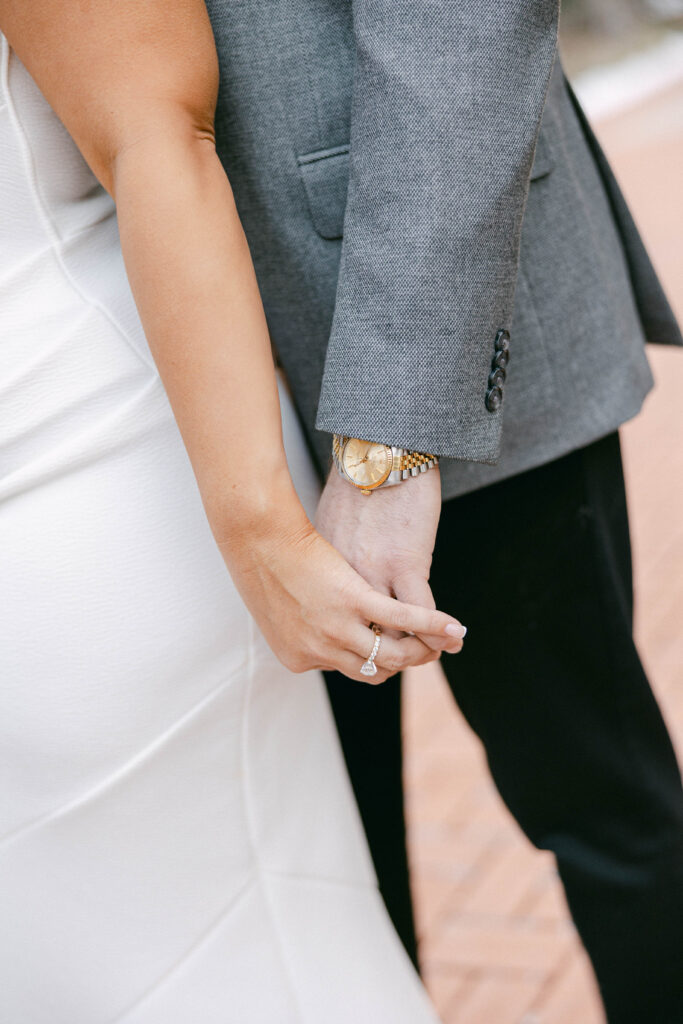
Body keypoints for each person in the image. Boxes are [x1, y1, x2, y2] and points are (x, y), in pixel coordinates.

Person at [199, 1, 683, 1021]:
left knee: (603, 810)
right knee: (325, 876)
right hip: (176, 425)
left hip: (444, 322)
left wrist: (386, 442)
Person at [0, 2, 478, 1021]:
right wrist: (262, 527)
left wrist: (267, 525)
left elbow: (158, 137)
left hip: (79, 530)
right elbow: (155, 129)